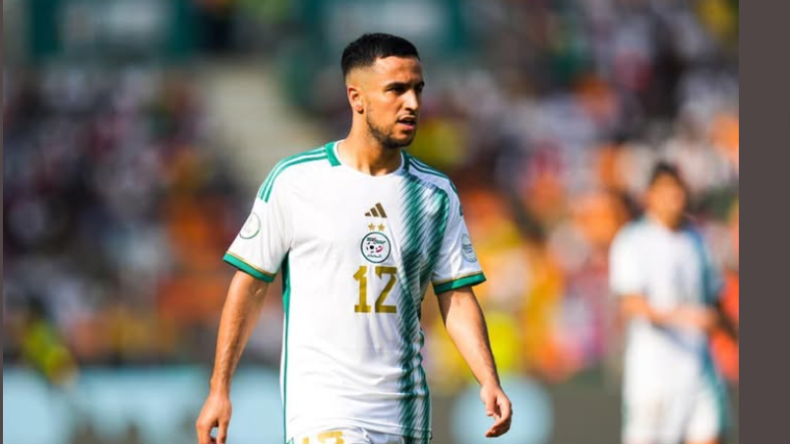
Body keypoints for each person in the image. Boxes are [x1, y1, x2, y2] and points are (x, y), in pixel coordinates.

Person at [196, 33, 512, 444]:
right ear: (356, 98)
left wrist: (488, 379)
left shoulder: (435, 195)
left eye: (417, 89)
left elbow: (455, 296)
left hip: (405, 414)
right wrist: (219, 388)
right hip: (323, 410)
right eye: (396, 90)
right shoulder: (296, 181)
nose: (413, 103)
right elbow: (250, 286)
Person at [609, 162, 732, 444]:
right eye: (667, 191)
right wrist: (686, 317)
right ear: (650, 195)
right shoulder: (633, 240)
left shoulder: (698, 241)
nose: (675, 198)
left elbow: (714, 303)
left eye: (678, 190)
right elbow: (632, 304)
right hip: (654, 376)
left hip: (698, 368)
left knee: (711, 433)